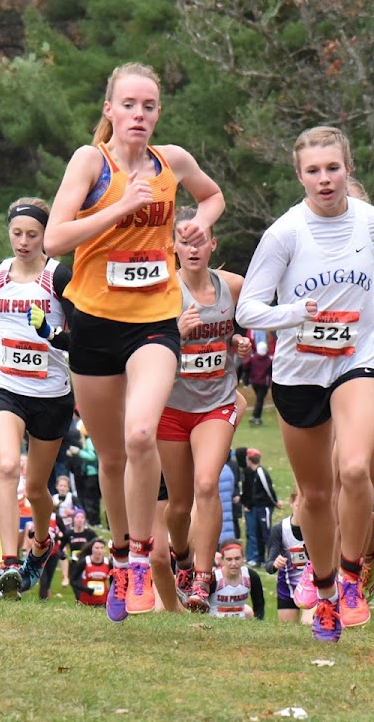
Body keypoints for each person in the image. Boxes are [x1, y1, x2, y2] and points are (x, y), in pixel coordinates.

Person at [44, 62, 225, 622]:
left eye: (148, 106)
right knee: (112, 455)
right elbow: (53, 239)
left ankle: (142, 559)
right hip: (94, 321)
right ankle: (120, 556)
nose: (139, 115)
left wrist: (198, 222)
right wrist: (120, 207)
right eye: (128, 105)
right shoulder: (89, 162)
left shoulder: (173, 162)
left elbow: (213, 195)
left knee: (142, 431)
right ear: (109, 110)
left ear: (158, 113)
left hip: (155, 321)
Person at [236, 126, 374, 641]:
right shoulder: (285, 233)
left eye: (333, 168)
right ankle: (322, 594)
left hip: (356, 361)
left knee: (354, 469)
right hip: (299, 372)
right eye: (313, 171)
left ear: (348, 168)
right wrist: (295, 312)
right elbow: (247, 307)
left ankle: (348, 578)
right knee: (316, 496)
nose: (325, 179)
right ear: (299, 175)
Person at [0, 196, 76, 598]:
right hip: (5, 386)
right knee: (8, 466)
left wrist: (51, 333)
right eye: (17, 233)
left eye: (32, 234)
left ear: (45, 236)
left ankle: (42, 544)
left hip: (51, 392)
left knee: (36, 488)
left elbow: (79, 337)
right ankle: (10, 564)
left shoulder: (59, 277)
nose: (23, 241)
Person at [155, 206, 250, 611]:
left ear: (212, 244)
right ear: (173, 246)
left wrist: (242, 342)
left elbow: (243, 329)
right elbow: (145, 348)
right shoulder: (162, 291)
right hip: (172, 407)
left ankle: (202, 576)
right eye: (184, 240)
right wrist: (174, 333)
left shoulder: (233, 286)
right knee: (178, 507)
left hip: (218, 401)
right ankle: (181, 555)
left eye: (200, 240)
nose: (193, 248)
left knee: (207, 484)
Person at [266, 493, 312, 623]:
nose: (302, 510)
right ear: (291, 503)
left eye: (306, 506)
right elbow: (269, 566)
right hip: (287, 587)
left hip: (312, 586)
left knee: (307, 624)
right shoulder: (280, 529)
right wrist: (275, 563)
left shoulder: (317, 528)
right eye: (299, 505)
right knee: (288, 631)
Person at [206, 539, 265, 620]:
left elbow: (259, 607)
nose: (233, 564)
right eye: (229, 559)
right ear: (222, 560)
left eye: (237, 558)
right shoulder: (214, 578)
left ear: (243, 558)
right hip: (214, 622)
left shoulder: (251, 576)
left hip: (240, 624)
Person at [241, 449, 279, 568]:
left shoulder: (260, 472)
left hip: (265, 507)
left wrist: (275, 502)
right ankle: (260, 559)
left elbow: (268, 489)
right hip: (258, 507)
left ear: (248, 459)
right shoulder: (252, 473)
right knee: (258, 534)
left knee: (266, 534)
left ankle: (272, 559)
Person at [69, 538, 111, 606]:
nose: (99, 551)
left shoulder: (108, 563)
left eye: (102, 548)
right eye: (97, 548)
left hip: (103, 602)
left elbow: (113, 582)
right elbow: (72, 580)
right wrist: (85, 589)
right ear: (91, 549)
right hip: (85, 602)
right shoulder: (84, 562)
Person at [245, 341, 273, 426]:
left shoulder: (253, 359)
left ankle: (256, 416)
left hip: (254, 382)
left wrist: (248, 376)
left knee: (259, 399)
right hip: (263, 383)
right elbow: (271, 372)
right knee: (260, 400)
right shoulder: (268, 360)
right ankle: (256, 417)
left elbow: (245, 365)